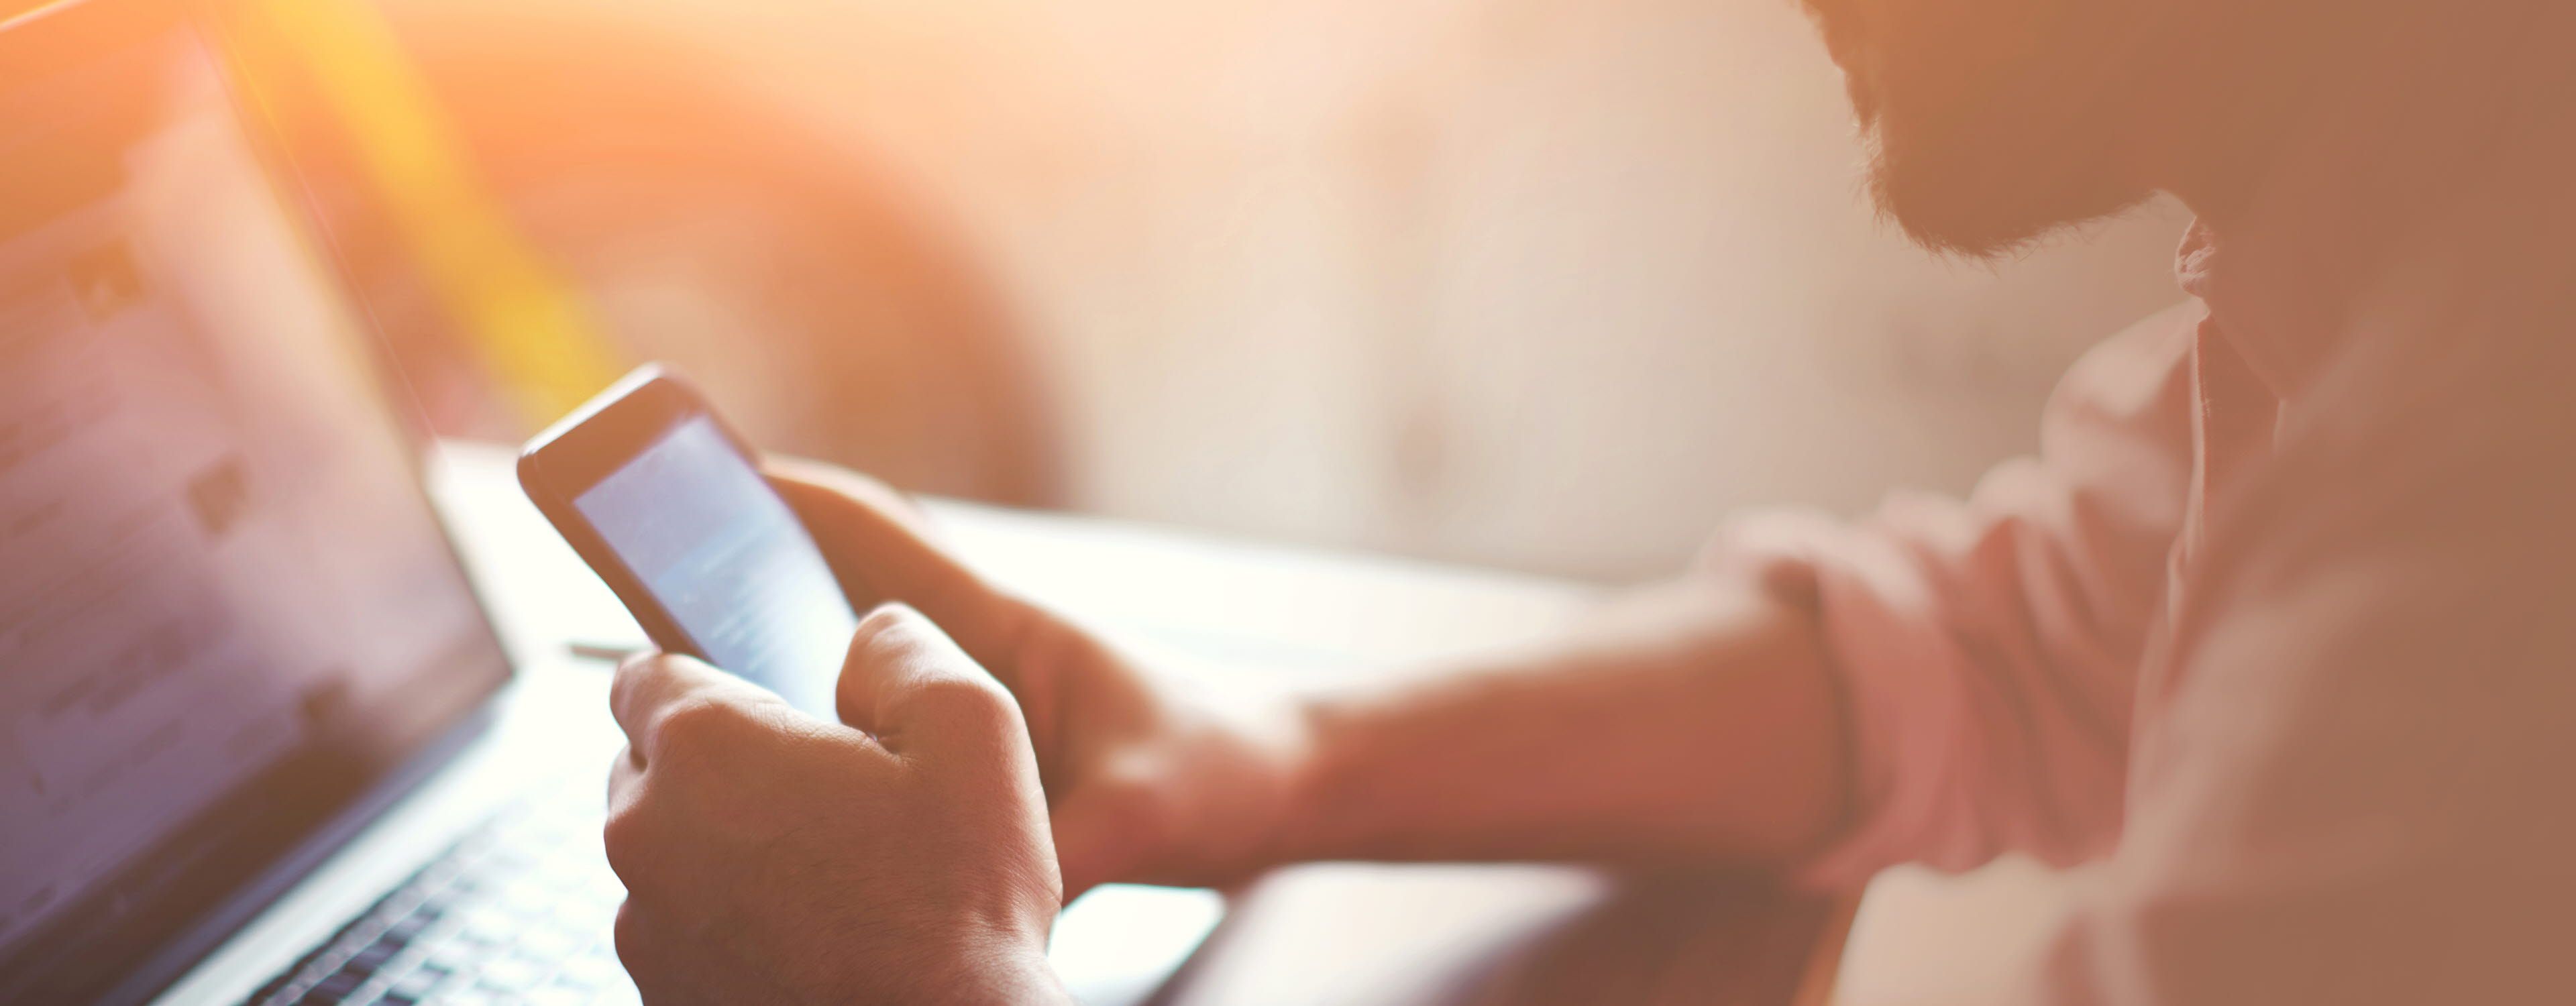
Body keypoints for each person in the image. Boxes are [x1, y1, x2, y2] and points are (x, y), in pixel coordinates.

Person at [594, 0, 2576, 1001]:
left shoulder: (2483, 507)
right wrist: (1250, 757)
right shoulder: (2404, 234)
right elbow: (2021, 640)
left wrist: (938, 983)